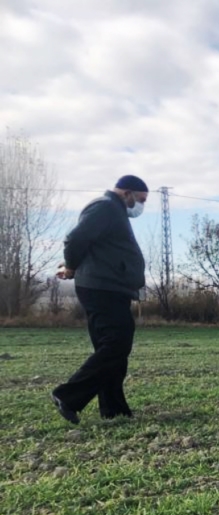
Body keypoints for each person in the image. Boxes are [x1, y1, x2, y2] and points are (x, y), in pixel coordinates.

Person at [51, 175, 149, 424]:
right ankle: (69, 395)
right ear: (126, 193)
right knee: (117, 344)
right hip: (103, 288)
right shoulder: (105, 207)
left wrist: (74, 266)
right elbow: (76, 238)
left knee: (111, 348)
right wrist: (72, 266)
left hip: (109, 286)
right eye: (140, 200)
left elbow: (94, 246)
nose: (141, 206)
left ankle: (114, 410)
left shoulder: (113, 211)